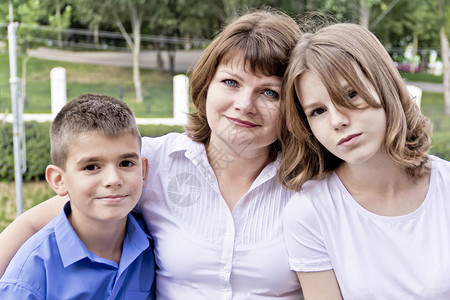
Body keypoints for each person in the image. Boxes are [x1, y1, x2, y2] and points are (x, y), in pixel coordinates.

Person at [0, 10, 304, 299]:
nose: (244, 104)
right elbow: (33, 223)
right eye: (231, 82)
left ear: (293, 103)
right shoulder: (152, 163)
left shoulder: (309, 182)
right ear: (206, 85)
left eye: (269, 92)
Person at [278, 22, 450, 299]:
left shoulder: (446, 187)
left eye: (351, 95)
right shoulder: (310, 213)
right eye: (318, 111)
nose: (338, 121)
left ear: (385, 86)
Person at [0, 94, 156, 299]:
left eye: (126, 163)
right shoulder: (30, 278)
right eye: (92, 167)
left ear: (143, 171)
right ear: (59, 180)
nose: (113, 179)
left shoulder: (154, 243)